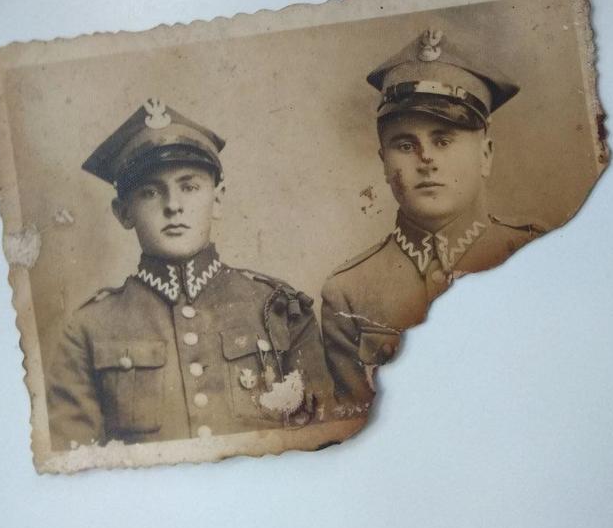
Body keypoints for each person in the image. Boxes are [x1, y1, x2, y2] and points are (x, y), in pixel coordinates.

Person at [47, 98, 331, 449]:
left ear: (218, 198)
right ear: (124, 212)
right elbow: (77, 463)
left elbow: (321, 446)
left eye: (189, 187)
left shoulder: (279, 309)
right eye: (150, 192)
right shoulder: (89, 329)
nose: (173, 206)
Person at [321, 28, 544, 412]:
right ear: (384, 163)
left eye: (443, 140)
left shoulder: (537, 253)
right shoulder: (348, 292)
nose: (426, 160)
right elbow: (356, 425)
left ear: (486, 154)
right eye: (405, 145)